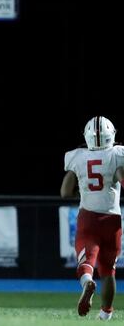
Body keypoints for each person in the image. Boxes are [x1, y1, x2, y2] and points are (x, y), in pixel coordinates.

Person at [60, 116, 124, 321]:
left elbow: (64, 192)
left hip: (88, 217)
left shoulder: (77, 156)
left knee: (86, 261)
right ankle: (106, 313)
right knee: (108, 270)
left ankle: (87, 282)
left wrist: (84, 189)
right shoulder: (117, 155)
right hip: (112, 219)